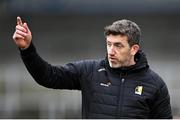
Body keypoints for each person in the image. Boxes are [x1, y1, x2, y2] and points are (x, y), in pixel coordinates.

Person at [13, 16, 172, 119]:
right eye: (109, 44)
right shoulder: (90, 71)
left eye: (118, 45)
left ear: (134, 49)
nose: (111, 51)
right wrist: (27, 49)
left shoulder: (155, 84)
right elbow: (47, 76)